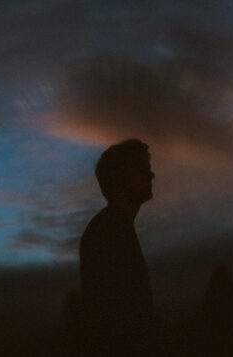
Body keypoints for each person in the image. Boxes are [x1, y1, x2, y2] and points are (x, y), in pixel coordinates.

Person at [79, 139, 155, 356]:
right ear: (120, 178)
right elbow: (116, 320)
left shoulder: (112, 227)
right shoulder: (109, 231)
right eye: (142, 169)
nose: (151, 175)